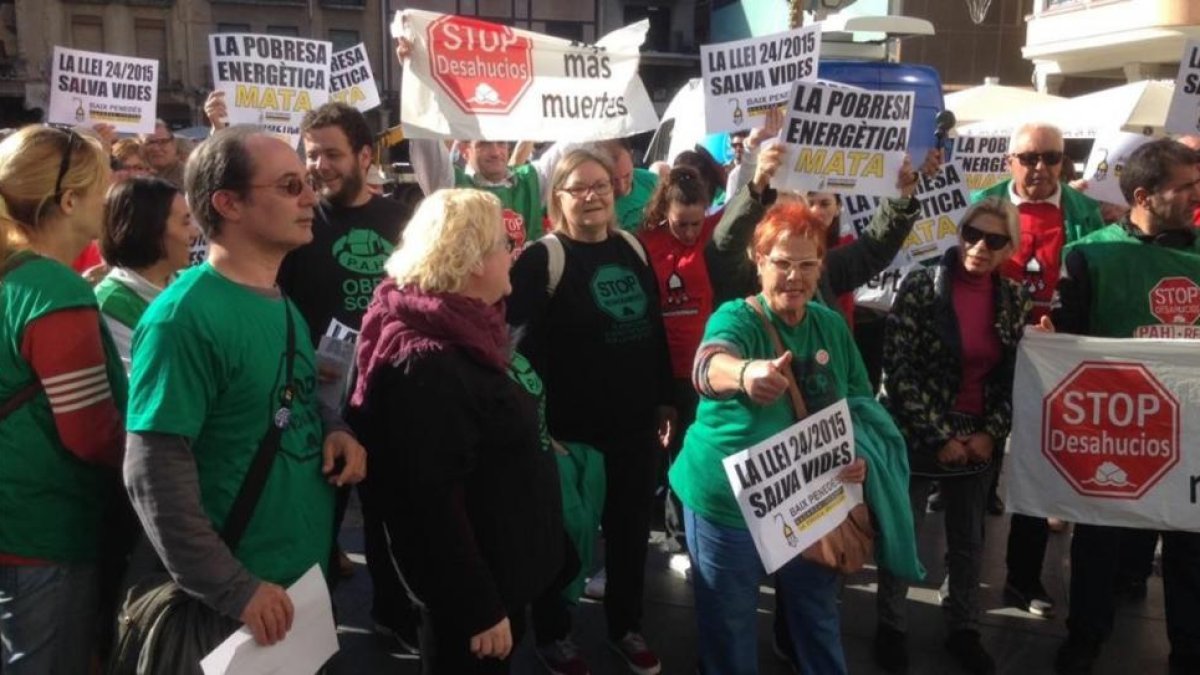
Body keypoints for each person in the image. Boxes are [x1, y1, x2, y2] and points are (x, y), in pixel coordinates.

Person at [123, 126, 367, 647]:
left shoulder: (279, 301)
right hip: (233, 610)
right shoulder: (183, 319)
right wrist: (235, 588)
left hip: (297, 589)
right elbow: (153, 472)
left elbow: (293, 401)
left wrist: (334, 428)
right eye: (288, 186)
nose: (310, 197)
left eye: (306, 182)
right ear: (228, 203)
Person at [668, 201, 920, 675]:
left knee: (818, 617)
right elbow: (708, 363)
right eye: (782, 263)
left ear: (821, 266)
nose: (794, 277)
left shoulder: (829, 326)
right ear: (759, 261)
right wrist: (746, 375)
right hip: (728, 504)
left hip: (810, 500)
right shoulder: (737, 318)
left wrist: (858, 457)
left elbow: (859, 406)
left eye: (807, 264)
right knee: (731, 627)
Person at [347, 188, 564, 673]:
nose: (514, 254)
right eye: (502, 245)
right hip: (472, 600)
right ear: (469, 261)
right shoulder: (429, 361)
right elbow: (428, 507)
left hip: (498, 567)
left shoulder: (463, 323)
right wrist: (479, 608)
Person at [508, 148, 675, 675]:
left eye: (600, 185)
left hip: (632, 429)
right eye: (577, 187)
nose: (592, 195)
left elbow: (653, 329)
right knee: (566, 543)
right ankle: (554, 635)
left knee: (629, 538)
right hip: (568, 436)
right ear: (556, 199)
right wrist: (538, 430)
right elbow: (517, 353)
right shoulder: (543, 258)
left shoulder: (631, 247)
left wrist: (664, 397)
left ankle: (626, 626)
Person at [1050, 138, 1200, 675]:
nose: (1195, 196)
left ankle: (1188, 653)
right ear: (1144, 195)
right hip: (1120, 434)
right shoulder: (1090, 254)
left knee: (1190, 552)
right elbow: (1064, 346)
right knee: (1099, 541)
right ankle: (1085, 639)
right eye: (1184, 187)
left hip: (1192, 438)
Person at [874, 197, 1030, 675]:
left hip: (978, 433)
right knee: (903, 533)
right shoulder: (922, 284)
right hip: (918, 428)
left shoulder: (1013, 298)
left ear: (1010, 247)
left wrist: (990, 433)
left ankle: (964, 626)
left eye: (994, 240)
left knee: (969, 541)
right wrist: (939, 434)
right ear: (959, 233)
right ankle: (890, 626)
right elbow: (897, 369)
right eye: (972, 234)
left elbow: (1013, 378)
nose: (980, 247)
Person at [0, 126, 125, 673]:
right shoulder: (55, 291)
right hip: (47, 529)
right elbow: (92, 435)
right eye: (103, 184)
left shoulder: (15, 279)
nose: (112, 194)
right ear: (69, 200)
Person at [972, 121, 1105, 619]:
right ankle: (962, 570)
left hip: (1056, 360)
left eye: (1051, 158)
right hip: (988, 353)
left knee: (1037, 466)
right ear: (1010, 161)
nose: (1040, 168)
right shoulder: (982, 204)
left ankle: (1022, 579)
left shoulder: (1087, 213)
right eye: (1029, 157)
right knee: (976, 468)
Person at [95, 176, 199, 368]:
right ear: (149, 228)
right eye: (185, 222)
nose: (195, 232)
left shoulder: (192, 284)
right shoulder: (109, 304)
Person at [138, 119, 186, 187]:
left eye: (163, 142)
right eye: (150, 142)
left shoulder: (188, 177)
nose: (156, 148)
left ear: (173, 144)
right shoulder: (134, 177)